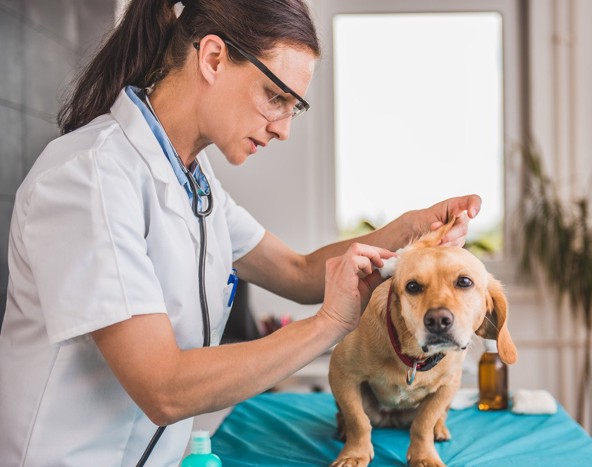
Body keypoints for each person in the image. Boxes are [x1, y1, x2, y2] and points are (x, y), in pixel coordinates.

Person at [0, 0, 482, 465]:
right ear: (212, 57)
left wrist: (414, 229)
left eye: (295, 108)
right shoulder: (90, 179)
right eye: (276, 98)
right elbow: (162, 387)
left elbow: (299, 272)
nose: (283, 129)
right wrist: (328, 325)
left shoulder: (196, 183)